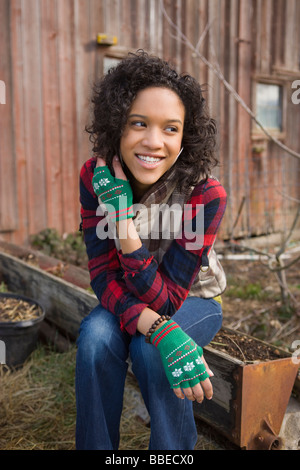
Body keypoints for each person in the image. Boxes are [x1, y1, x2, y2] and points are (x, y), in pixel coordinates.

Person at [76, 50, 227, 450]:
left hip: (193, 299)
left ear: (185, 137)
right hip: (125, 292)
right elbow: (102, 275)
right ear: (116, 125)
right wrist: (156, 326)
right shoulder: (96, 177)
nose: (153, 142)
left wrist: (123, 224)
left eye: (170, 128)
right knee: (94, 337)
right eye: (138, 123)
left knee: (150, 350)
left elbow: (169, 298)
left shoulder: (204, 196)